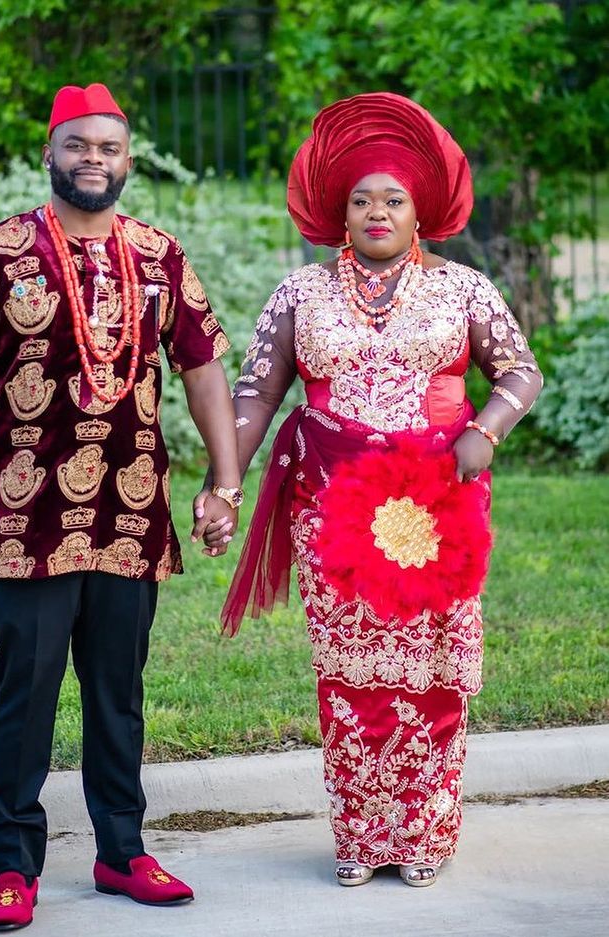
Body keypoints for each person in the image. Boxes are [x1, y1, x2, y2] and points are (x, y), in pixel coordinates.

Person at [0, 82, 242, 931]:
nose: (94, 160)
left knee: (117, 692)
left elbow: (204, 368)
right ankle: (13, 864)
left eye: (109, 148)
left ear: (127, 160)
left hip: (130, 519)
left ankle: (121, 851)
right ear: (50, 153)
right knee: (24, 691)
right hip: (25, 521)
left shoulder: (160, 255)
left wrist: (224, 481)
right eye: (79, 146)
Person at [198, 92, 543, 888]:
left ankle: (423, 832)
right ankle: (359, 833)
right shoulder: (300, 293)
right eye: (362, 200)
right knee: (350, 669)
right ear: (340, 212)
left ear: (421, 210)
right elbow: (255, 394)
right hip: (333, 504)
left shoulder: (463, 287)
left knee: (432, 668)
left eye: (393, 199)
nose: (377, 212)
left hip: (439, 502)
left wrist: (485, 430)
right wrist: (224, 484)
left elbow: (520, 373)